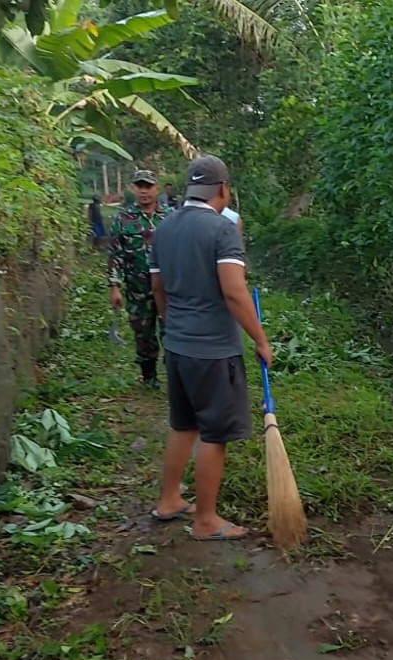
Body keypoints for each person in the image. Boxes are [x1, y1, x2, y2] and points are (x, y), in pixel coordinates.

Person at [147, 155, 274, 541]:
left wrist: (174, 324)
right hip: (213, 351)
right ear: (223, 189)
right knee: (214, 434)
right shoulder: (223, 229)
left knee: (184, 424)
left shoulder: (163, 228)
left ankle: (169, 500)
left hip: (179, 346)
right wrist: (261, 340)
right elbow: (234, 292)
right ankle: (205, 520)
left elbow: (158, 289)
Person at [107, 170, 169, 388]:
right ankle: (149, 377)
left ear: (156, 188)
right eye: (140, 186)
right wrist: (114, 286)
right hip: (137, 289)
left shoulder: (170, 217)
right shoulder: (123, 219)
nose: (144, 191)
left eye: (148, 186)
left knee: (171, 330)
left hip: (168, 289)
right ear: (133, 188)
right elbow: (115, 255)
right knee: (144, 334)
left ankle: (177, 375)